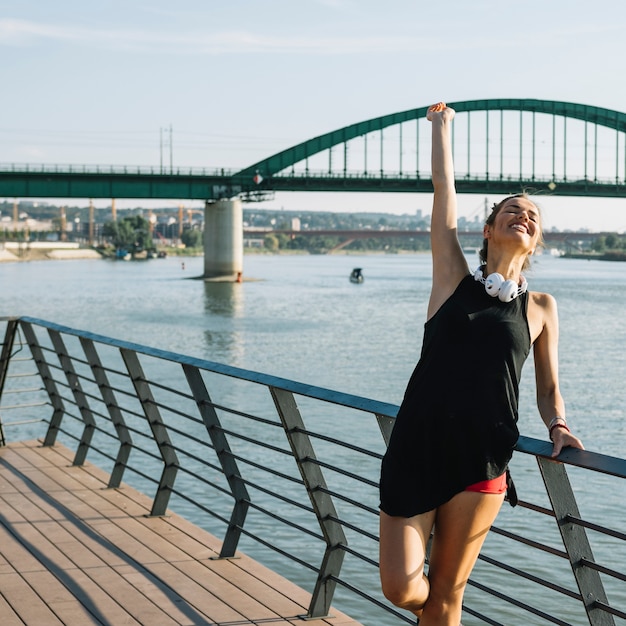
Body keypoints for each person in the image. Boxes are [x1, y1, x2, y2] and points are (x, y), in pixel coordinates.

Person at [378, 102, 584, 626]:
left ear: (535, 241)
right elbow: (443, 195)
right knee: (404, 588)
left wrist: (558, 424)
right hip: (418, 445)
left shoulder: (541, 308)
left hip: (483, 457)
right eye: (512, 210)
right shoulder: (452, 280)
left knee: (447, 596)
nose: (524, 215)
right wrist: (441, 129)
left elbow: (546, 389)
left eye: (533, 217)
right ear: (489, 229)